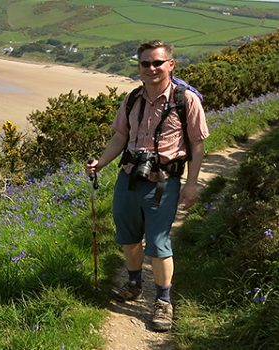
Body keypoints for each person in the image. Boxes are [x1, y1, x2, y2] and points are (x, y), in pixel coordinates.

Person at [85, 40, 209, 332]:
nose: (151, 68)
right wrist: (100, 163)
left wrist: (191, 185)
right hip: (128, 177)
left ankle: (163, 302)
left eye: (157, 62)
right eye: (145, 64)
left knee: (159, 245)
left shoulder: (185, 100)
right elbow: (119, 137)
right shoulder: (131, 99)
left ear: (171, 64)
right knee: (128, 238)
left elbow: (198, 144)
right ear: (139, 67)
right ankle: (133, 284)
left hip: (164, 182)